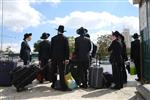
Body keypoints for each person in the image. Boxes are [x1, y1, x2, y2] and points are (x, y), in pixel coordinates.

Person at [50, 25, 70, 91]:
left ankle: (53, 84)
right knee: (62, 72)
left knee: (54, 71)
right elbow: (67, 49)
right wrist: (67, 58)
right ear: (63, 31)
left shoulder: (53, 38)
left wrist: (50, 58)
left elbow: (51, 49)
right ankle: (63, 86)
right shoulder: (65, 38)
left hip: (54, 58)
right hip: (62, 58)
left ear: (58, 31)